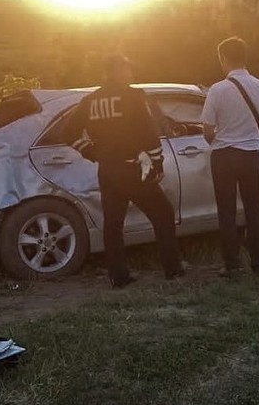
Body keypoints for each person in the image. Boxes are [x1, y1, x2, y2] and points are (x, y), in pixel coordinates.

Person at [66, 54, 184, 288]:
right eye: (127, 69)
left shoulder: (90, 100)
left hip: (107, 169)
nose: (131, 74)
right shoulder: (133, 96)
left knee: (113, 224)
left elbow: (69, 133)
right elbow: (147, 132)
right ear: (117, 71)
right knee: (163, 213)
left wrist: (92, 153)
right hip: (133, 167)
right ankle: (173, 269)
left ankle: (118, 276)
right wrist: (157, 163)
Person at [201, 36, 259, 278]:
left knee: (227, 212)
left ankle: (232, 265)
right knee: (254, 210)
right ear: (245, 57)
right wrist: (248, 135)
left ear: (223, 59)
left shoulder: (217, 90)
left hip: (223, 156)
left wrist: (222, 139)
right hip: (251, 155)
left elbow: (208, 131)